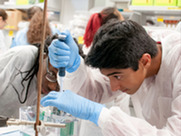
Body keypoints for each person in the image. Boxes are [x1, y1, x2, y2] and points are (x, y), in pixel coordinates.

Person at [41, 20, 181, 136]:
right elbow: (96, 92)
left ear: (145, 61)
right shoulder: (135, 48)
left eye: (117, 76)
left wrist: (101, 115)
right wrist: (74, 66)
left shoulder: (177, 60)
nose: (114, 87)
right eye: (109, 77)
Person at [0, 34, 61, 119]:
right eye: (51, 74)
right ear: (43, 58)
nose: (52, 86)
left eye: (60, 84)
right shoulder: (22, 57)